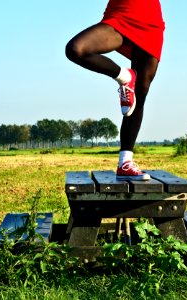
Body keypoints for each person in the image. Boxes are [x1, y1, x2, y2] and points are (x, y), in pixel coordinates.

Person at [65, 0, 165, 181]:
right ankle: (124, 76)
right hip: (123, 13)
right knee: (76, 49)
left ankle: (125, 163)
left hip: (151, 20)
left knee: (140, 94)